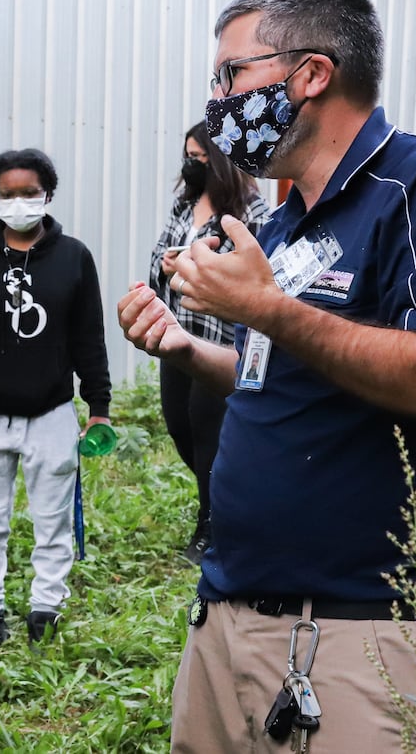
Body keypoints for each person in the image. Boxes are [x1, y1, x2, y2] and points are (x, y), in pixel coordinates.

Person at [118, 0, 416, 753]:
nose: (218, 101)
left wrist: (270, 308)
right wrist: (188, 348)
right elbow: (272, 368)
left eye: (232, 75)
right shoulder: (281, 225)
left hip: (355, 637)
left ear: (310, 75)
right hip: (228, 620)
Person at [0, 148, 113, 655]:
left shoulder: (74, 258)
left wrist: (98, 405)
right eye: (8, 194)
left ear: (47, 196)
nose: (19, 203)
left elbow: (90, 338)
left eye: (29, 193)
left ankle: (46, 611)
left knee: (52, 520)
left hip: (52, 414)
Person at [147, 123, 271, 565]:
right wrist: (166, 266)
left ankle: (212, 522)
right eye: (188, 156)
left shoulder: (251, 211)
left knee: (208, 432)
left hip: (219, 339)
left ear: (219, 161)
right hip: (176, 332)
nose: (190, 166)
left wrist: (205, 265)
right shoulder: (185, 206)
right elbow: (159, 257)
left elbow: (259, 279)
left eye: (199, 158)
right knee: (180, 427)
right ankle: (214, 504)